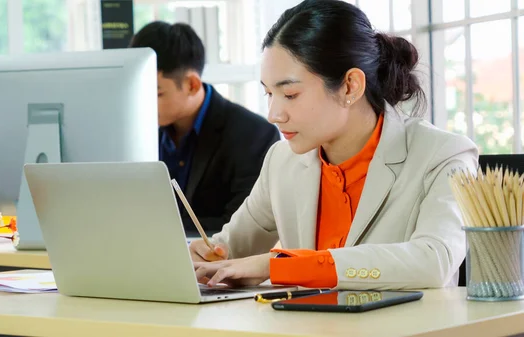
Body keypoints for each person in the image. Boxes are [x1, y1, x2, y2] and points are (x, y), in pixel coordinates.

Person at [190, 0, 478, 290]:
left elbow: (433, 262)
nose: (274, 114)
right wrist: (201, 257)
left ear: (350, 86)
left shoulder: (444, 156)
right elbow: (228, 251)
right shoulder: (282, 160)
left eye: (290, 94)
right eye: (268, 94)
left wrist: (281, 266)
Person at [129, 22, 280, 236]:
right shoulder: (138, 133)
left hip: (217, 262)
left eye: (156, 93)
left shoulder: (254, 135)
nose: (142, 104)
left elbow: (241, 228)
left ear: (192, 84)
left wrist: (151, 227)